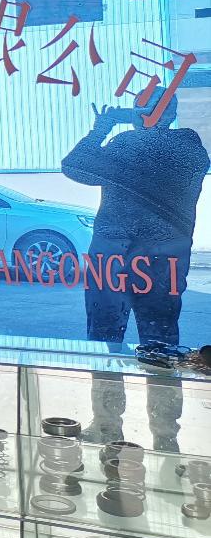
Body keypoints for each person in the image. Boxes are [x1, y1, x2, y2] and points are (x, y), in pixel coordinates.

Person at [62, 94, 208, 448]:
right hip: (154, 259)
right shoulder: (188, 148)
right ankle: (163, 435)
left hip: (121, 255)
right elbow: (77, 167)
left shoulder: (141, 144)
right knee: (156, 346)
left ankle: (112, 425)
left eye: (143, 107)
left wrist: (102, 129)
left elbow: (75, 165)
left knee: (111, 343)